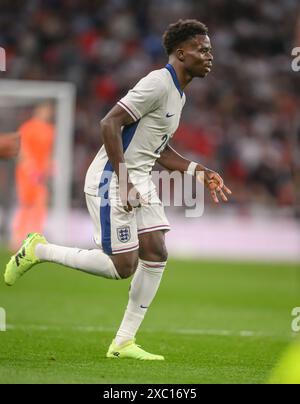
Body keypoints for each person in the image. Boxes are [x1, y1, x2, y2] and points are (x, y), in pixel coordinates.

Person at [4, 19, 231, 360]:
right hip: (112, 178)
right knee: (122, 267)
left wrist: (199, 170)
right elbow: (109, 122)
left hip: (138, 179)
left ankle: (123, 342)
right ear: (181, 53)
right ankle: (39, 250)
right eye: (203, 49)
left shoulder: (178, 96)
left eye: (210, 49)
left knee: (155, 252)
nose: (209, 55)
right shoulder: (157, 83)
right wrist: (124, 182)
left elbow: (161, 150)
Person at [10, 102, 55, 250]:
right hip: (27, 174)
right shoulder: (27, 127)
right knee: (26, 205)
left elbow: (49, 152)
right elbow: (21, 150)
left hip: (41, 175)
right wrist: (30, 169)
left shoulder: (50, 130)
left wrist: (50, 167)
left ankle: (36, 236)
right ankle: (17, 238)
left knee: (41, 203)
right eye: (45, 110)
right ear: (38, 111)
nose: (48, 113)